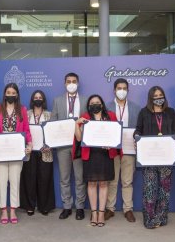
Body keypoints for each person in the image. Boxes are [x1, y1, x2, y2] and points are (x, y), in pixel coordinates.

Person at [0, 83, 32, 224]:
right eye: (8, 92)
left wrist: (29, 145)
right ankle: (3, 210)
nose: (11, 94)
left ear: (17, 94)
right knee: (1, 181)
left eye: (13, 92)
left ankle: (13, 209)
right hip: (0, 152)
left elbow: (26, 130)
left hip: (16, 152)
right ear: (4, 94)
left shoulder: (22, 110)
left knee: (15, 181)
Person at [134, 86, 175, 229]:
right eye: (155, 95)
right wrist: (137, 138)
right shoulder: (144, 112)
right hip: (149, 158)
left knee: (165, 189)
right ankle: (149, 218)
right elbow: (138, 130)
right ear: (151, 98)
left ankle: (162, 217)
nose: (158, 97)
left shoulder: (170, 112)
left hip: (166, 158)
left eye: (161, 95)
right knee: (150, 189)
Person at [74, 94, 118, 227]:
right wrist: (77, 124)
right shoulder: (85, 117)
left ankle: (101, 213)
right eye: (92, 103)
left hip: (105, 155)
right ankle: (94, 213)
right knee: (92, 184)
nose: (95, 104)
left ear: (102, 104)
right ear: (89, 106)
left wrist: (112, 143)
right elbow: (79, 138)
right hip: (90, 155)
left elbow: (116, 135)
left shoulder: (110, 116)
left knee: (104, 184)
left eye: (97, 102)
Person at [51, 72, 87, 221]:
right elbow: (53, 121)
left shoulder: (85, 100)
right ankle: (67, 206)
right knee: (64, 178)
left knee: (80, 178)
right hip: (63, 145)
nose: (71, 83)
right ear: (65, 84)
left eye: (74, 81)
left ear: (77, 83)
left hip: (79, 144)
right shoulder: (57, 100)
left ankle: (80, 207)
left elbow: (89, 121)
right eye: (68, 81)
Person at [105, 78, 141, 222]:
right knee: (112, 180)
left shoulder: (136, 108)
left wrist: (137, 138)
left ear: (128, 90)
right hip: (112, 150)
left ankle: (128, 209)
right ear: (114, 90)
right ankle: (110, 208)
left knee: (127, 181)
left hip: (129, 150)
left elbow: (139, 129)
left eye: (124, 88)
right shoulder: (106, 107)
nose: (122, 91)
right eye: (119, 88)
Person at [20, 90, 55, 216]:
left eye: (40, 97)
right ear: (32, 100)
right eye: (36, 97)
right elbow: (22, 131)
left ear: (43, 100)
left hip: (45, 151)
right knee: (29, 179)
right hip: (29, 151)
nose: (38, 99)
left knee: (44, 179)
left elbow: (53, 133)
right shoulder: (26, 113)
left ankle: (44, 206)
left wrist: (49, 145)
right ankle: (29, 206)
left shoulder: (49, 115)